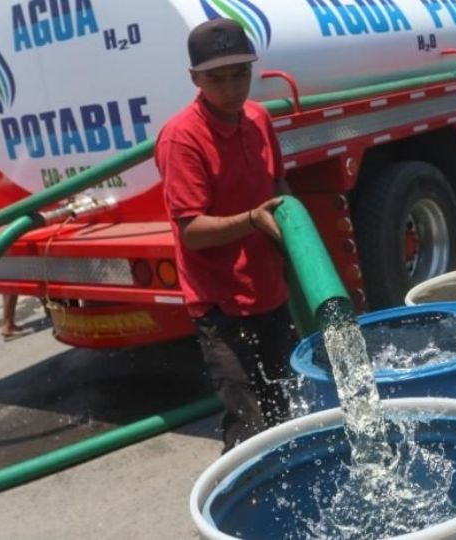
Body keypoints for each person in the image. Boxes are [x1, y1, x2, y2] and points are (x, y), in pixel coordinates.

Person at [154, 18, 296, 453]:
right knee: (246, 420)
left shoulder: (257, 118)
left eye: (241, 75)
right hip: (221, 302)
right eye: (217, 78)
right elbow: (192, 232)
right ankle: (245, 512)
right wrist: (253, 219)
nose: (233, 89)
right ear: (194, 78)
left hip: (269, 289)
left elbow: (279, 187)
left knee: (286, 404)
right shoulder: (183, 138)